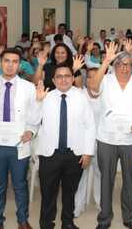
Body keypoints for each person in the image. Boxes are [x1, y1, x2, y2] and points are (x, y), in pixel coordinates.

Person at [0, 48, 42, 229]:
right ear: (0, 63)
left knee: (20, 184)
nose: (10, 65)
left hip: (19, 143)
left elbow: (35, 118)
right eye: (6, 61)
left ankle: (23, 220)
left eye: (14, 61)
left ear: (20, 65)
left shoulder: (29, 88)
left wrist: (31, 131)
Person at [91, 43, 132, 229]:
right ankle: (105, 218)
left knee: (130, 178)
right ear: (114, 66)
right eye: (120, 64)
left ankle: (128, 216)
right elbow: (92, 87)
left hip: (131, 140)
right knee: (106, 179)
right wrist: (106, 61)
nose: (124, 68)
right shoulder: (105, 80)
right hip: (107, 138)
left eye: (128, 64)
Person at [33, 63, 96, 229]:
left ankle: (67, 222)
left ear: (73, 78)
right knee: (48, 192)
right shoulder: (45, 96)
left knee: (70, 192)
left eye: (67, 76)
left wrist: (88, 152)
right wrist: (38, 102)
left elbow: (90, 125)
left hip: (74, 153)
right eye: (59, 76)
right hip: (49, 154)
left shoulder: (81, 97)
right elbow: (32, 121)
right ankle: (46, 223)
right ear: (53, 80)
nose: (63, 80)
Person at [74, 68, 104, 216]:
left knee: (100, 173)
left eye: (96, 77)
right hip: (83, 141)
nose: (93, 80)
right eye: (90, 77)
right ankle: (78, 205)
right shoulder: (80, 94)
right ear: (86, 80)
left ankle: (100, 203)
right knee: (81, 175)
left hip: (101, 141)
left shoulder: (106, 95)